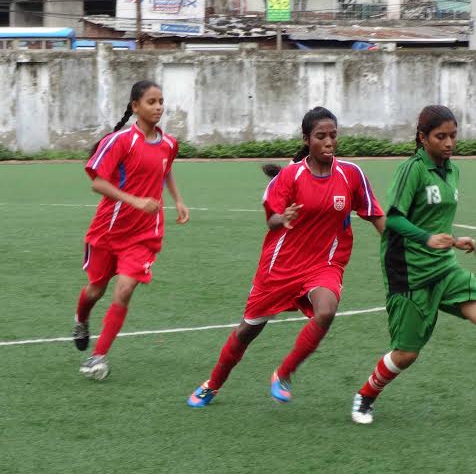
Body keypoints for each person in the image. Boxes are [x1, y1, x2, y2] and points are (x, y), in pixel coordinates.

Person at [351, 105, 476, 425]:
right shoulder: (412, 170)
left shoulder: (453, 170)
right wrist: (426, 239)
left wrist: (454, 240)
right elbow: (392, 219)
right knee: (406, 353)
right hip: (409, 273)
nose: (449, 143)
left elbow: (435, 219)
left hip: (444, 268)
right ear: (422, 138)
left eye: (453, 135)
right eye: (441, 136)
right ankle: (365, 396)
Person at [187, 106, 385, 407]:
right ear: (307, 140)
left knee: (326, 311)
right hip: (280, 267)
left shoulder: (351, 174)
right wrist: (283, 218)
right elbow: (272, 220)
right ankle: (212, 384)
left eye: (333, 135)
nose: (329, 142)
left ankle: (284, 373)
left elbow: (374, 214)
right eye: (321, 136)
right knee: (246, 332)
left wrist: (400, 246)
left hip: (325, 263)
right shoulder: (290, 177)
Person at [72, 80, 190, 380]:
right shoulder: (120, 141)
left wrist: (177, 200)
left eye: (161, 101)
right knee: (95, 289)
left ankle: (98, 356)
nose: (159, 107)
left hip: (144, 235)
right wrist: (134, 200)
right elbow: (97, 182)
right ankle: (81, 320)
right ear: (135, 107)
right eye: (152, 102)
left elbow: (165, 170)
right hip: (108, 230)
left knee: (124, 290)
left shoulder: (169, 144)